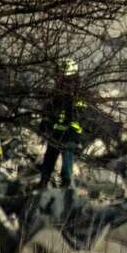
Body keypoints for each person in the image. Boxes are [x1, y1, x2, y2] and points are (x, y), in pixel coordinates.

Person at [37, 58, 87, 189]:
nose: (60, 81)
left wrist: (72, 129)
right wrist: (45, 122)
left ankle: (66, 191)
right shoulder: (56, 92)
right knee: (48, 162)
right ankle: (42, 187)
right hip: (55, 134)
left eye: (63, 78)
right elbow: (49, 109)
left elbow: (80, 115)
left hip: (69, 136)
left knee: (66, 167)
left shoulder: (79, 93)